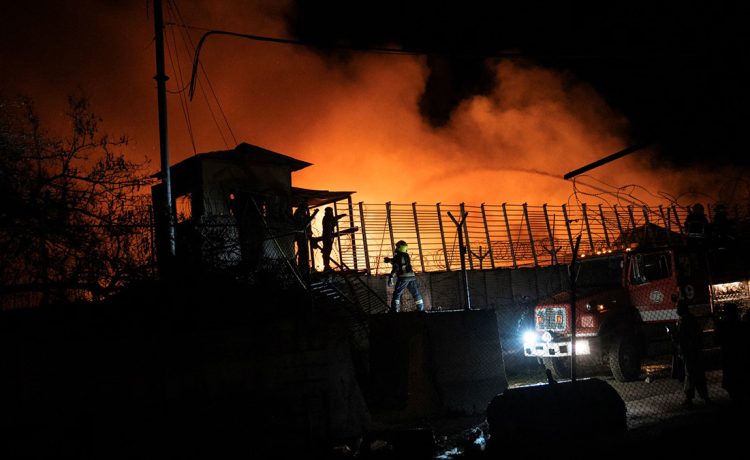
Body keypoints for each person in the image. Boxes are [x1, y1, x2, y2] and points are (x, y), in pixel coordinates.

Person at [675, 300, 710, 406]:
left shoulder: (685, 321)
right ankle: (704, 397)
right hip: (693, 351)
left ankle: (690, 398)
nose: (676, 310)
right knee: (696, 374)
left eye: (677, 307)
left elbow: (682, 337)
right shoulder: (689, 319)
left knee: (690, 374)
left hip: (689, 352)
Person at [386, 240, 424, 313]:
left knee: (397, 293)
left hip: (403, 277)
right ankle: (421, 309)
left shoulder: (398, 256)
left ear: (400, 248)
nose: (396, 248)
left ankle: (395, 309)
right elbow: (399, 262)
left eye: (397, 247)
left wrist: (391, 277)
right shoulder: (406, 255)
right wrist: (390, 260)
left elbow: (396, 267)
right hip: (411, 276)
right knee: (415, 293)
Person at [292, 203, 318, 273]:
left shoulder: (302, 214)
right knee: (302, 251)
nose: (305, 210)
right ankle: (302, 267)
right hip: (301, 236)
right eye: (305, 208)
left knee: (304, 251)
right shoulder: (299, 214)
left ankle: (305, 266)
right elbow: (302, 224)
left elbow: (307, 223)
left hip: (304, 236)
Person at [321, 207, 346, 271]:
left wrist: (337, 219)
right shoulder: (326, 218)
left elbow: (334, 223)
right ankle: (326, 265)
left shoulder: (330, 218)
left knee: (328, 251)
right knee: (326, 251)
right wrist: (339, 216)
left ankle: (327, 265)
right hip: (327, 236)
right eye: (328, 211)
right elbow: (331, 221)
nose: (329, 212)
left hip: (330, 236)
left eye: (330, 211)